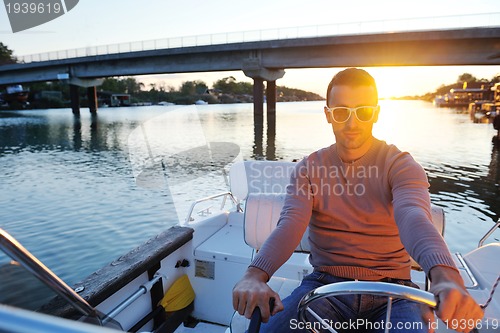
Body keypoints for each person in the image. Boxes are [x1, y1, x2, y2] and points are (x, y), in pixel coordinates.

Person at [232, 68, 484, 333]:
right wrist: (254, 275)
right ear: (328, 115)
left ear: (375, 113)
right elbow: (290, 225)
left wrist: (446, 276)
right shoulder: (308, 169)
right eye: (341, 112)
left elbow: (412, 215)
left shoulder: (400, 165)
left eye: (362, 111)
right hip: (323, 284)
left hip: (394, 289)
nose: (352, 123)